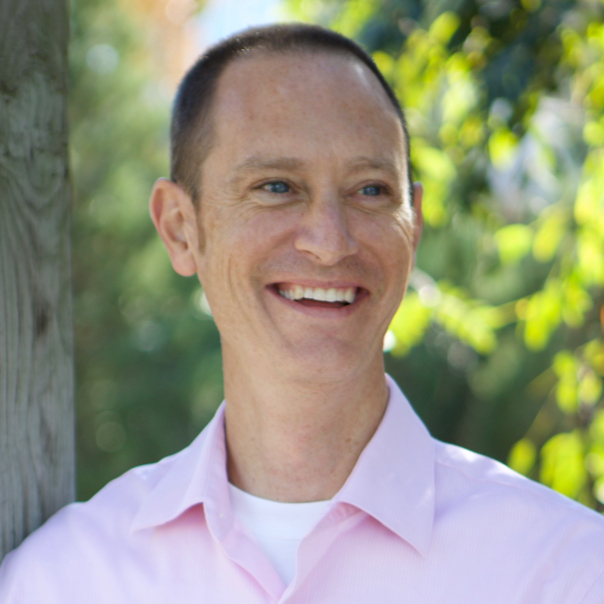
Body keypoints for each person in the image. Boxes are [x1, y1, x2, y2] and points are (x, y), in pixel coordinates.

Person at [1, 23, 603, 603]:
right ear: (182, 229)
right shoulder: (65, 582)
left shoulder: (563, 571)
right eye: (276, 187)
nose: (330, 241)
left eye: (370, 190)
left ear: (413, 225)